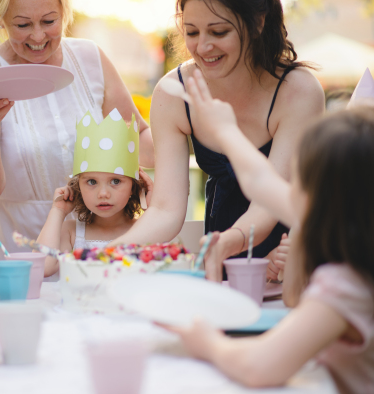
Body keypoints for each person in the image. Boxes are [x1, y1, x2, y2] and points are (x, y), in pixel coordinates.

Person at [159, 69, 374, 393]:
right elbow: (261, 181)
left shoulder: (346, 285)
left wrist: (209, 343)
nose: (286, 184)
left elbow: (258, 367)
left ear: (319, 195)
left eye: (298, 176)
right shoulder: (344, 225)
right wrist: (225, 129)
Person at [111, 0, 324, 282]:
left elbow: (268, 201)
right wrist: (110, 253)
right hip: (220, 255)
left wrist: (230, 242)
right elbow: (165, 208)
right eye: (192, 32)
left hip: (286, 260)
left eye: (219, 32)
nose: (203, 47)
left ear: (259, 23)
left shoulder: (298, 91)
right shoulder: (173, 92)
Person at [0, 0, 155, 278]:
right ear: (1, 20)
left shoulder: (90, 58)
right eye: (23, 25)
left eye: (49, 21)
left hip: (91, 236)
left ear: (65, 15)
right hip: (15, 243)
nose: (38, 36)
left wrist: (184, 129)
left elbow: (138, 136)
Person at [37, 110, 152, 277]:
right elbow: (43, 268)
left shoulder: (145, 229)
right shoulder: (71, 232)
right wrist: (58, 211)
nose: (103, 193)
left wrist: (153, 209)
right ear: (78, 187)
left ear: (135, 185)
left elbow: (166, 268)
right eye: (91, 182)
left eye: (116, 181)